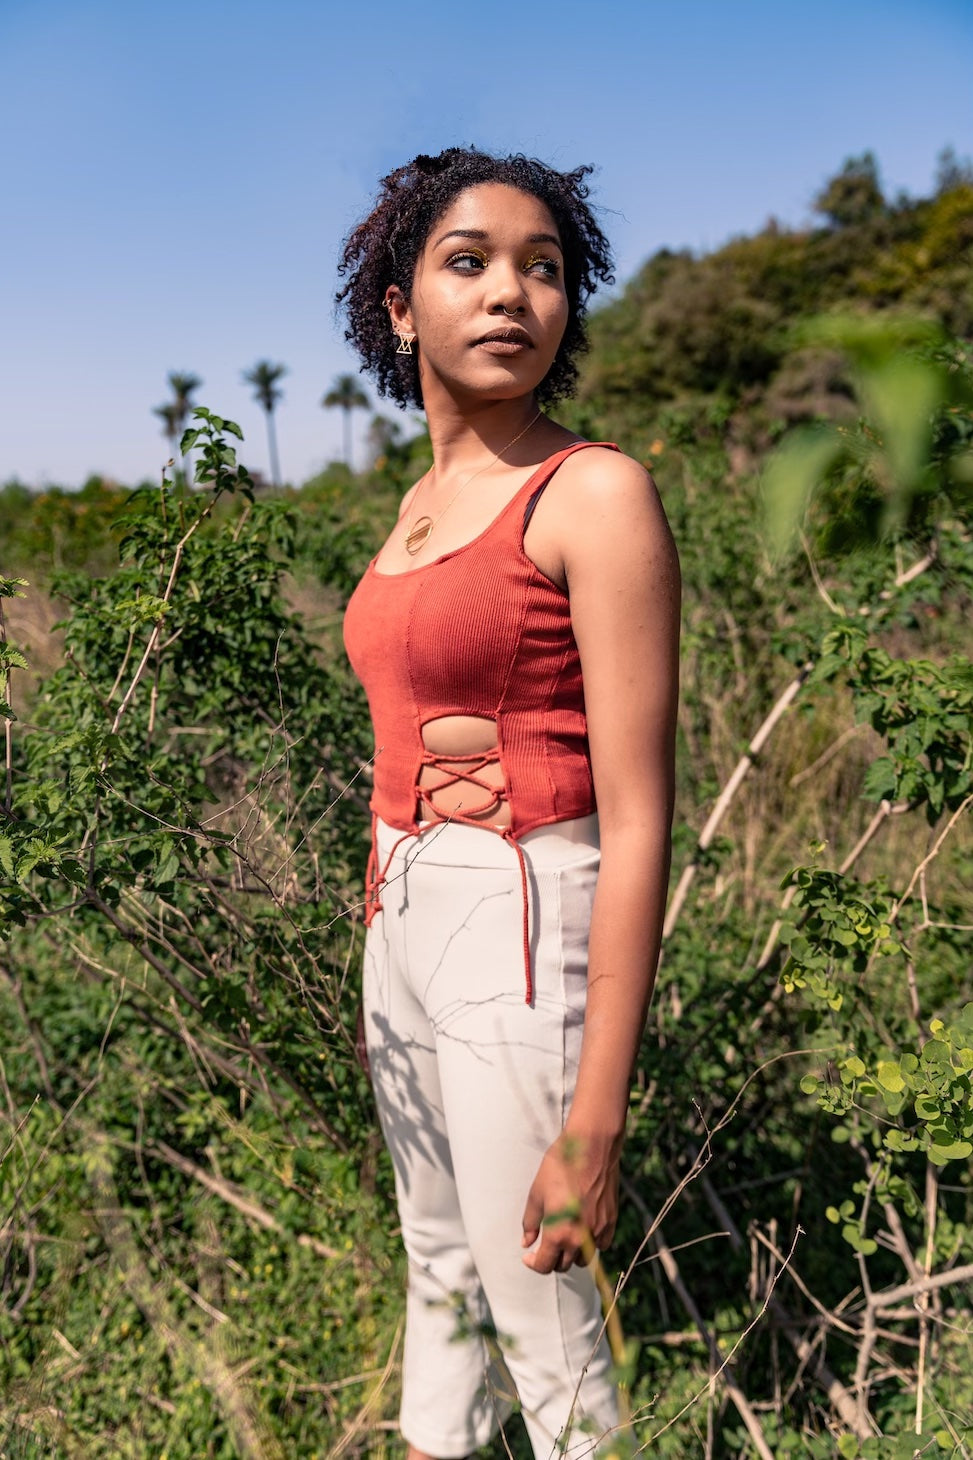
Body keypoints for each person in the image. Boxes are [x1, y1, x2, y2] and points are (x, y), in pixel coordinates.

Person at [339, 148, 680, 1460]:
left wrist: (597, 1116)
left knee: (538, 1303)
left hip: (526, 913)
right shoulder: (418, 506)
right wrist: (383, 940)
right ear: (399, 307)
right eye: (468, 261)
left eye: (543, 268)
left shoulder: (591, 491)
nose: (510, 293)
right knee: (436, 1267)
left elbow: (637, 816)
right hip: (402, 922)